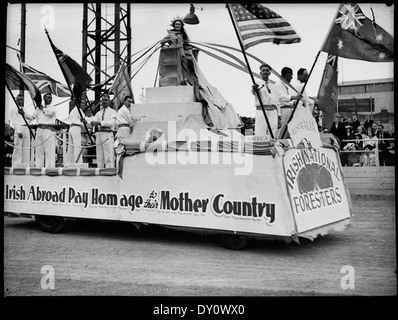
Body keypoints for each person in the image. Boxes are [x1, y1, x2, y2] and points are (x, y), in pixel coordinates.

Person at [159, 16, 242, 130]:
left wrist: (191, 47)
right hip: (175, 55)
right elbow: (162, 42)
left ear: (182, 26)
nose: (178, 26)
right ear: (174, 26)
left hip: (183, 55)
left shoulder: (184, 36)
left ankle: (186, 80)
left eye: (180, 25)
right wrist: (169, 41)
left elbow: (186, 45)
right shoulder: (171, 34)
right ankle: (182, 80)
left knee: (189, 69)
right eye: (176, 25)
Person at [252, 63, 280, 138]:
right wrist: (254, 89)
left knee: (273, 131)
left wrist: (279, 114)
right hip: (262, 110)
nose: (265, 72)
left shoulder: (274, 86)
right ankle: (260, 148)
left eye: (267, 70)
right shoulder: (257, 84)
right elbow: (253, 91)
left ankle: (272, 147)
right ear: (260, 72)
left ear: (269, 73)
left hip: (273, 111)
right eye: (263, 70)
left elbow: (277, 100)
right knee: (260, 131)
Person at [275, 66, 302, 137]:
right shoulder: (278, 85)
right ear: (285, 75)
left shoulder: (287, 86)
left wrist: (293, 102)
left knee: (287, 129)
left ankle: (284, 142)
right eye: (291, 75)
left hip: (288, 109)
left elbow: (288, 100)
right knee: (282, 129)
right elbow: (282, 96)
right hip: (282, 111)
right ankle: (279, 142)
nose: (292, 77)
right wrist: (293, 97)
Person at [91, 94, 116, 168]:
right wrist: (85, 121)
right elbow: (93, 121)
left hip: (107, 134)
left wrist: (99, 123)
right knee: (99, 154)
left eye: (106, 100)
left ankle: (109, 169)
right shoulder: (99, 113)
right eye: (103, 100)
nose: (104, 102)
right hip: (99, 134)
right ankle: (100, 170)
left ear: (109, 101)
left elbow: (111, 123)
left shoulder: (113, 112)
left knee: (108, 154)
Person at [32, 93, 57, 168]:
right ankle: (39, 167)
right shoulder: (39, 109)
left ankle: (49, 168)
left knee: (49, 150)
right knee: (39, 150)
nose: (50, 99)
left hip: (48, 130)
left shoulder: (53, 108)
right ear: (44, 99)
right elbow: (31, 117)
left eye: (51, 98)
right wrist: (23, 114)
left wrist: (42, 108)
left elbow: (50, 113)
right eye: (48, 98)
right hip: (39, 130)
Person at [10, 94, 33, 166]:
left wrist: (24, 113)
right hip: (20, 128)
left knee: (26, 147)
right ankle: (16, 164)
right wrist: (18, 131)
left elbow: (30, 118)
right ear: (16, 101)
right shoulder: (14, 110)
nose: (20, 101)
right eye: (19, 100)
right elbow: (15, 121)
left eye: (22, 100)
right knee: (18, 148)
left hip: (26, 127)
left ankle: (25, 164)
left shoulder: (24, 109)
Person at [65, 100, 89, 164]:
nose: (83, 105)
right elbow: (84, 119)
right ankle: (79, 163)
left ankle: (68, 163)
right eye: (81, 103)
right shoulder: (79, 110)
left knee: (71, 147)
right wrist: (87, 123)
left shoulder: (73, 111)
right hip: (76, 128)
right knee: (77, 146)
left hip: (71, 128)